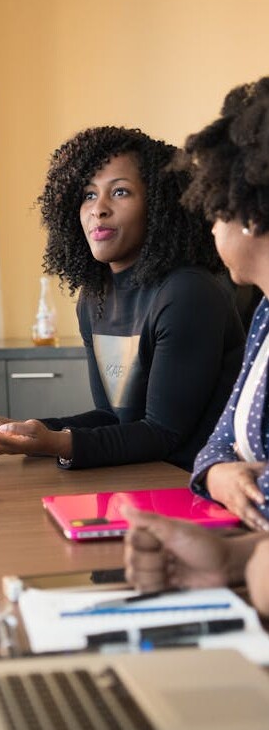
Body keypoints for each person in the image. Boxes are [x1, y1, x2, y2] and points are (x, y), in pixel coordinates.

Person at [0, 126, 245, 471]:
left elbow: (164, 434)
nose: (99, 209)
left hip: (194, 487)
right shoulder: (93, 298)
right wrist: (21, 431)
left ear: (158, 205)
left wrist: (55, 443)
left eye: (120, 192)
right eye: (88, 195)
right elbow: (113, 417)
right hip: (139, 479)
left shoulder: (188, 293)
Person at [124, 76, 269, 614]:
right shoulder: (264, 315)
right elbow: (216, 444)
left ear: (251, 216)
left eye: (217, 211)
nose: (209, 227)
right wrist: (220, 476)